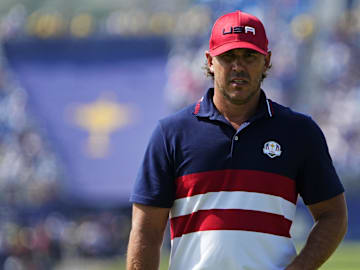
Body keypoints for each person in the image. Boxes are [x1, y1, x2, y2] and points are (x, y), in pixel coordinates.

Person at [126, 10, 348, 270]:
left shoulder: (299, 131)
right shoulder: (172, 133)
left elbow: (333, 215)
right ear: (210, 61)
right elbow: (146, 233)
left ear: (267, 61)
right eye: (228, 56)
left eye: (250, 56)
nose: (238, 67)